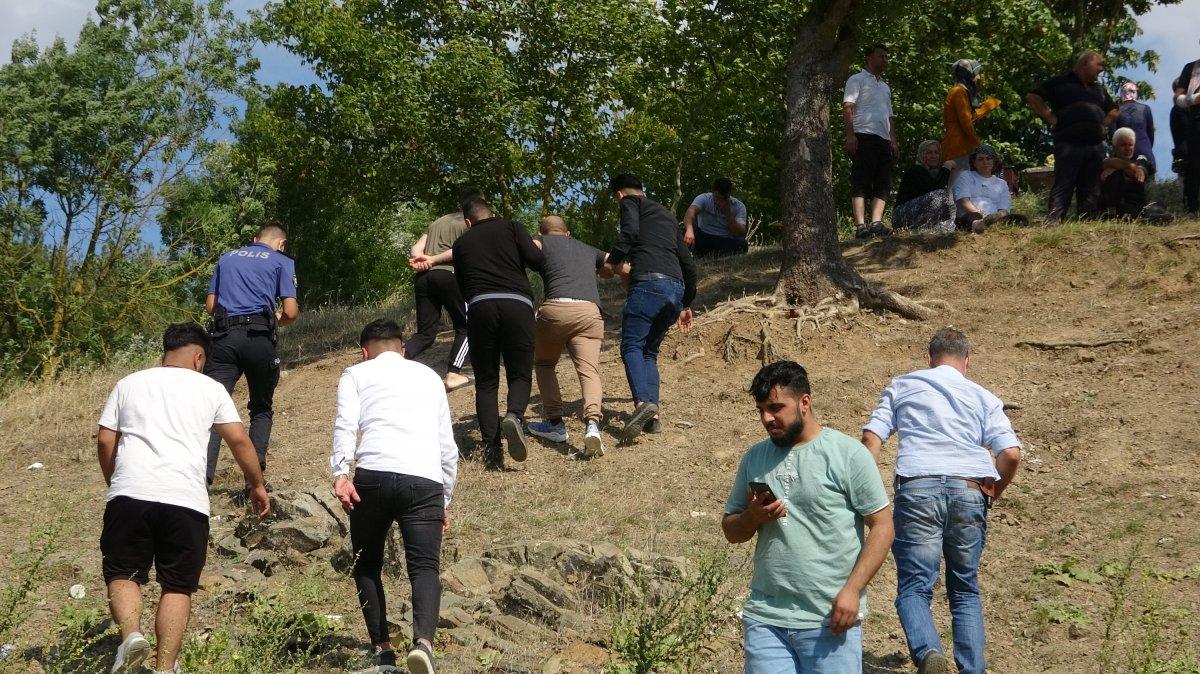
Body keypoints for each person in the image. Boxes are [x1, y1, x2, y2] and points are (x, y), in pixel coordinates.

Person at [98, 323, 269, 674]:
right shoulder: (211, 388)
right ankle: (165, 667)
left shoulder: (129, 383)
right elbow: (239, 440)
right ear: (199, 357)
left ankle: (131, 637)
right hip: (186, 500)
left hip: (130, 493)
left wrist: (115, 480)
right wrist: (257, 484)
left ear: (166, 351)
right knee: (177, 586)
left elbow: (105, 440)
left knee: (123, 573)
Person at [861, 327, 1022, 674]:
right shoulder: (983, 396)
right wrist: (993, 492)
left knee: (915, 587)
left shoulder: (903, 385)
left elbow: (871, 438)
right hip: (969, 489)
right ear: (967, 361)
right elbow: (1010, 453)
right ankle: (972, 669)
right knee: (965, 589)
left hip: (918, 487)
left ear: (930, 359)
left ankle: (929, 652)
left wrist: (865, 493)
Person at [722, 361, 893, 673]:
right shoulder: (755, 458)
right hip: (765, 620)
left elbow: (883, 526)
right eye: (761, 410)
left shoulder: (849, 454)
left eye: (776, 408)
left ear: (804, 402)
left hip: (830, 620)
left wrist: (852, 591)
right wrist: (752, 517)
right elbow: (731, 531)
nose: (767, 418)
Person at [331, 319, 457, 674]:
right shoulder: (429, 377)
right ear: (403, 350)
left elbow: (345, 424)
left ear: (364, 352)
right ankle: (424, 644)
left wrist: (341, 474)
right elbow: (446, 444)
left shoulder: (355, 374)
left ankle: (382, 651)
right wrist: (444, 498)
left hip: (373, 476)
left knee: (367, 564)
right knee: (425, 567)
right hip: (424, 480)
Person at [451, 194, 544, 469]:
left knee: (486, 382)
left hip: (480, 307)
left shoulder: (460, 243)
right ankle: (514, 416)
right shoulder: (513, 227)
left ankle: (492, 449)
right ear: (490, 212)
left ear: (468, 221)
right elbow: (536, 260)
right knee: (519, 373)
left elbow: (462, 288)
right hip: (517, 304)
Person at [203, 222, 299, 487]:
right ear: (281, 243)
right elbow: (290, 312)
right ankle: (253, 482)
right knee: (260, 408)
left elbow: (210, 306)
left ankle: (201, 478)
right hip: (259, 339)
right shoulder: (282, 261)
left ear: (255, 239)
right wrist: (276, 319)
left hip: (223, 339)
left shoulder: (226, 258)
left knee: (211, 409)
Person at [604, 173, 697, 442]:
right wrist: (686, 302)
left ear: (619, 194)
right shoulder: (666, 215)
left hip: (648, 283)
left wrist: (612, 261)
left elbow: (629, 232)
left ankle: (643, 404)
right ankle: (652, 417)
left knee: (631, 346)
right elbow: (687, 261)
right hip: (675, 288)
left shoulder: (629, 202)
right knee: (649, 353)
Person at [526, 215, 612, 459]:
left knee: (544, 364)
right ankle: (592, 424)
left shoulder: (540, 242)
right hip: (589, 312)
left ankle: (555, 424)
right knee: (589, 370)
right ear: (567, 232)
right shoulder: (587, 248)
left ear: (541, 232)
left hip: (556, 309)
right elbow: (611, 262)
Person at [1026, 51, 1119, 222]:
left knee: (1092, 186)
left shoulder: (1099, 90)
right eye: (1099, 64)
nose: (1101, 69)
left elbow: (1114, 110)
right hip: (1068, 143)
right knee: (1064, 182)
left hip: (1095, 146)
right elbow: (1033, 96)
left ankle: (1087, 222)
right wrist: (1049, 116)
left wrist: (1104, 123)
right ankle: (1054, 221)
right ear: (1085, 63)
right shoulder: (1059, 82)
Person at [404, 198, 476, 392]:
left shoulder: (438, 221)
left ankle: (393, 361)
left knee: (425, 334)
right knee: (468, 326)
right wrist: (434, 260)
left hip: (423, 278)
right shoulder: (470, 222)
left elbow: (416, 248)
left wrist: (422, 260)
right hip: (449, 275)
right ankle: (453, 374)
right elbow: (459, 250)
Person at [843, 44, 899, 239]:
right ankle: (860, 226)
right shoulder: (856, 79)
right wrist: (850, 135)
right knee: (861, 179)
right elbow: (848, 107)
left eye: (886, 57)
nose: (885, 60)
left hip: (884, 139)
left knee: (884, 181)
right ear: (869, 58)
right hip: (863, 135)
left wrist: (893, 140)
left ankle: (876, 222)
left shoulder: (885, 86)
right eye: (881, 56)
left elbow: (889, 116)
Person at [941, 59, 1002, 189]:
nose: (978, 77)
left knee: (965, 187)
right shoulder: (958, 91)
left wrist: (988, 106)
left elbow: (968, 118)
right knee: (958, 188)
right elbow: (965, 123)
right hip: (957, 147)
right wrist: (978, 145)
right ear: (968, 75)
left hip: (961, 146)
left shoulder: (961, 91)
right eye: (976, 74)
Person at [952, 145, 1028, 232]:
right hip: (970, 216)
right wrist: (982, 215)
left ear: (993, 161)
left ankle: (992, 225)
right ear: (974, 163)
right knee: (973, 216)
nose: (985, 162)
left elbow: (1004, 209)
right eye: (980, 159)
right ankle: (979, 226)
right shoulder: (965, 176)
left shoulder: (1001, 183)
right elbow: (964, 202)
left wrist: (996, 216)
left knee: (1021, 218)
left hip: (994, 218)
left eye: (988, 158)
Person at [893, 140, 957, 234]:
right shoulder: (916, 170)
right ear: (922, 154)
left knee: (951, 196)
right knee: (942, 194)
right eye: (929, 153)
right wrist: (947, 168)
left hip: (916, 214)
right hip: (900, 216)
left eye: (936, 153)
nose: (933, 156)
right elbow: (935, 189)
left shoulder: (933, 172)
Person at [681, 177, 749, 257]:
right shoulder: (704, 198)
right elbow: (690, 212)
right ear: (713, 192)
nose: (720, 201)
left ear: (729, 194)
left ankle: (708, 254)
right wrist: (689, 231)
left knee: (742, 244)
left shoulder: (739, 206)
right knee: (682, 232)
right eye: (717, 197)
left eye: (724, 198)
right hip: (703, 236)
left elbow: (740, 234)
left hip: (724, 240)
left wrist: (728, 214)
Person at [1099, 127, 1154, 219]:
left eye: (1130, 145)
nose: (1128, 148)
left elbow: (1139, 174)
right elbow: (1105, 163)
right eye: (1123, 145)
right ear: (1115, 147)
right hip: (1111, 211)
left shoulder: (1141, 158)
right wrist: (1130, 166)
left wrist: (1116, 167)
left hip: (1136, 210)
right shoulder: (1108, 158)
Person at [1112, 81, 1156, 177]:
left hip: (1123, 154)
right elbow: (1151, 135)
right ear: (1136, 93)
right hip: (1144, 152)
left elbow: (1114, 135)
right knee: (1141, 178)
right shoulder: (1145, 109)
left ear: (1122, 94)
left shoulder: (1116, 111)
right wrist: (1146, 147)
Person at [1174, 57, 1200, 214]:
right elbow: (1177, 98)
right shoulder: (1190, 68)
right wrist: (1195, 98)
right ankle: (1192, 209)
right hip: (1196, 121)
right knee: (1194, 165)